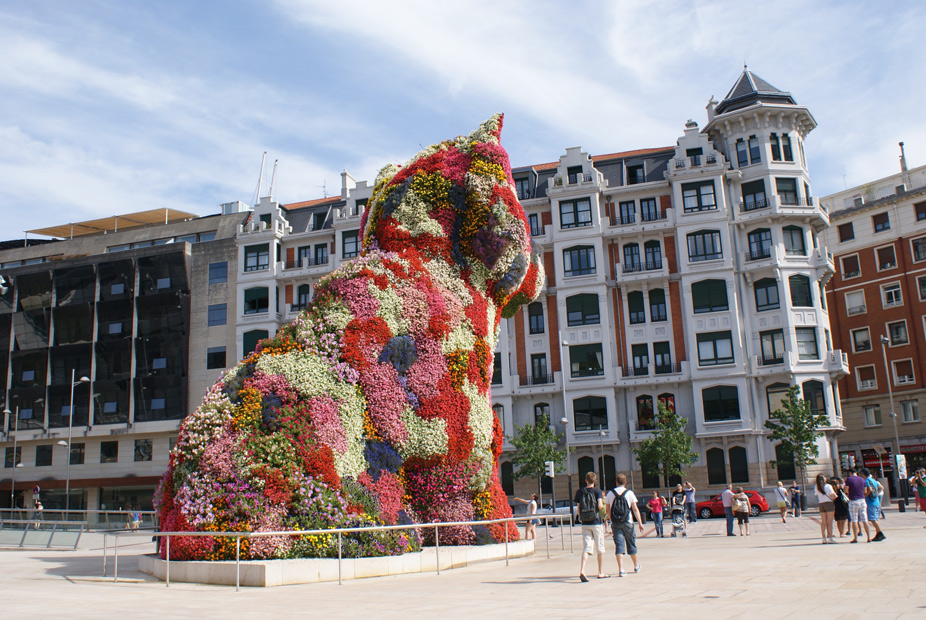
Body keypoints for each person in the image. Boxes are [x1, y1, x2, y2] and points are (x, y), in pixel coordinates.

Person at [606, 474, 644, 576]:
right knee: (631, 543)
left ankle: (621, 569)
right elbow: (635, 509)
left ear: (616, 482)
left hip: (616, 523)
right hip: (628, 522)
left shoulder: (610, 493)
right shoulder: (629, 493)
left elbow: (607, 510)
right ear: (625, 482)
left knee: (619, 545)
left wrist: (612, 519)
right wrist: (640, 523)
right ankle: (636, 565)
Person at [575, 471, 607, 582]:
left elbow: (578, 508)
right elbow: (600, 505)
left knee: (587, 547)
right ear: (595, 480)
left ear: (585, 480)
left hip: (585, 523)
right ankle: (600, 572)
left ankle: (582, 570)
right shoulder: (597, 491)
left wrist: (582, 517)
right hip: (596, 522)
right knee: (600, 548)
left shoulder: (580, 492)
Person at [844, 467, 870, 543]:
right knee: (865, 519)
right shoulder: (862, 479)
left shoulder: (849, 479)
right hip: (862, 500)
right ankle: (868, 537)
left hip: (853, 500)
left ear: (850, 473)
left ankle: (855, 538)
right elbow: (865, 491)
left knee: (854, 519)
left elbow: (846, 490)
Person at [860, 468, 885, 542]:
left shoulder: (866, 481)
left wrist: (866, 495)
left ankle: (880, 532)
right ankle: (878, 534)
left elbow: (870, 489)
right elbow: (881, 487)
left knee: (872, 519)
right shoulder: (873, 480)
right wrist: (876, 493)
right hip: (876, 501)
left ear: (863, 474)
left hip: (870, 502)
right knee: (875, 518)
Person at [814, 473, 837, 544]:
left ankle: (823, 538)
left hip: (821, 503)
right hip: (829, 503)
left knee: (823, 522)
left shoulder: (817, 487)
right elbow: (832, 495)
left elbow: (816, 494)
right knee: (829, 522)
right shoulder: (828, 486)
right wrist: (835, 496)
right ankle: (830, 537)